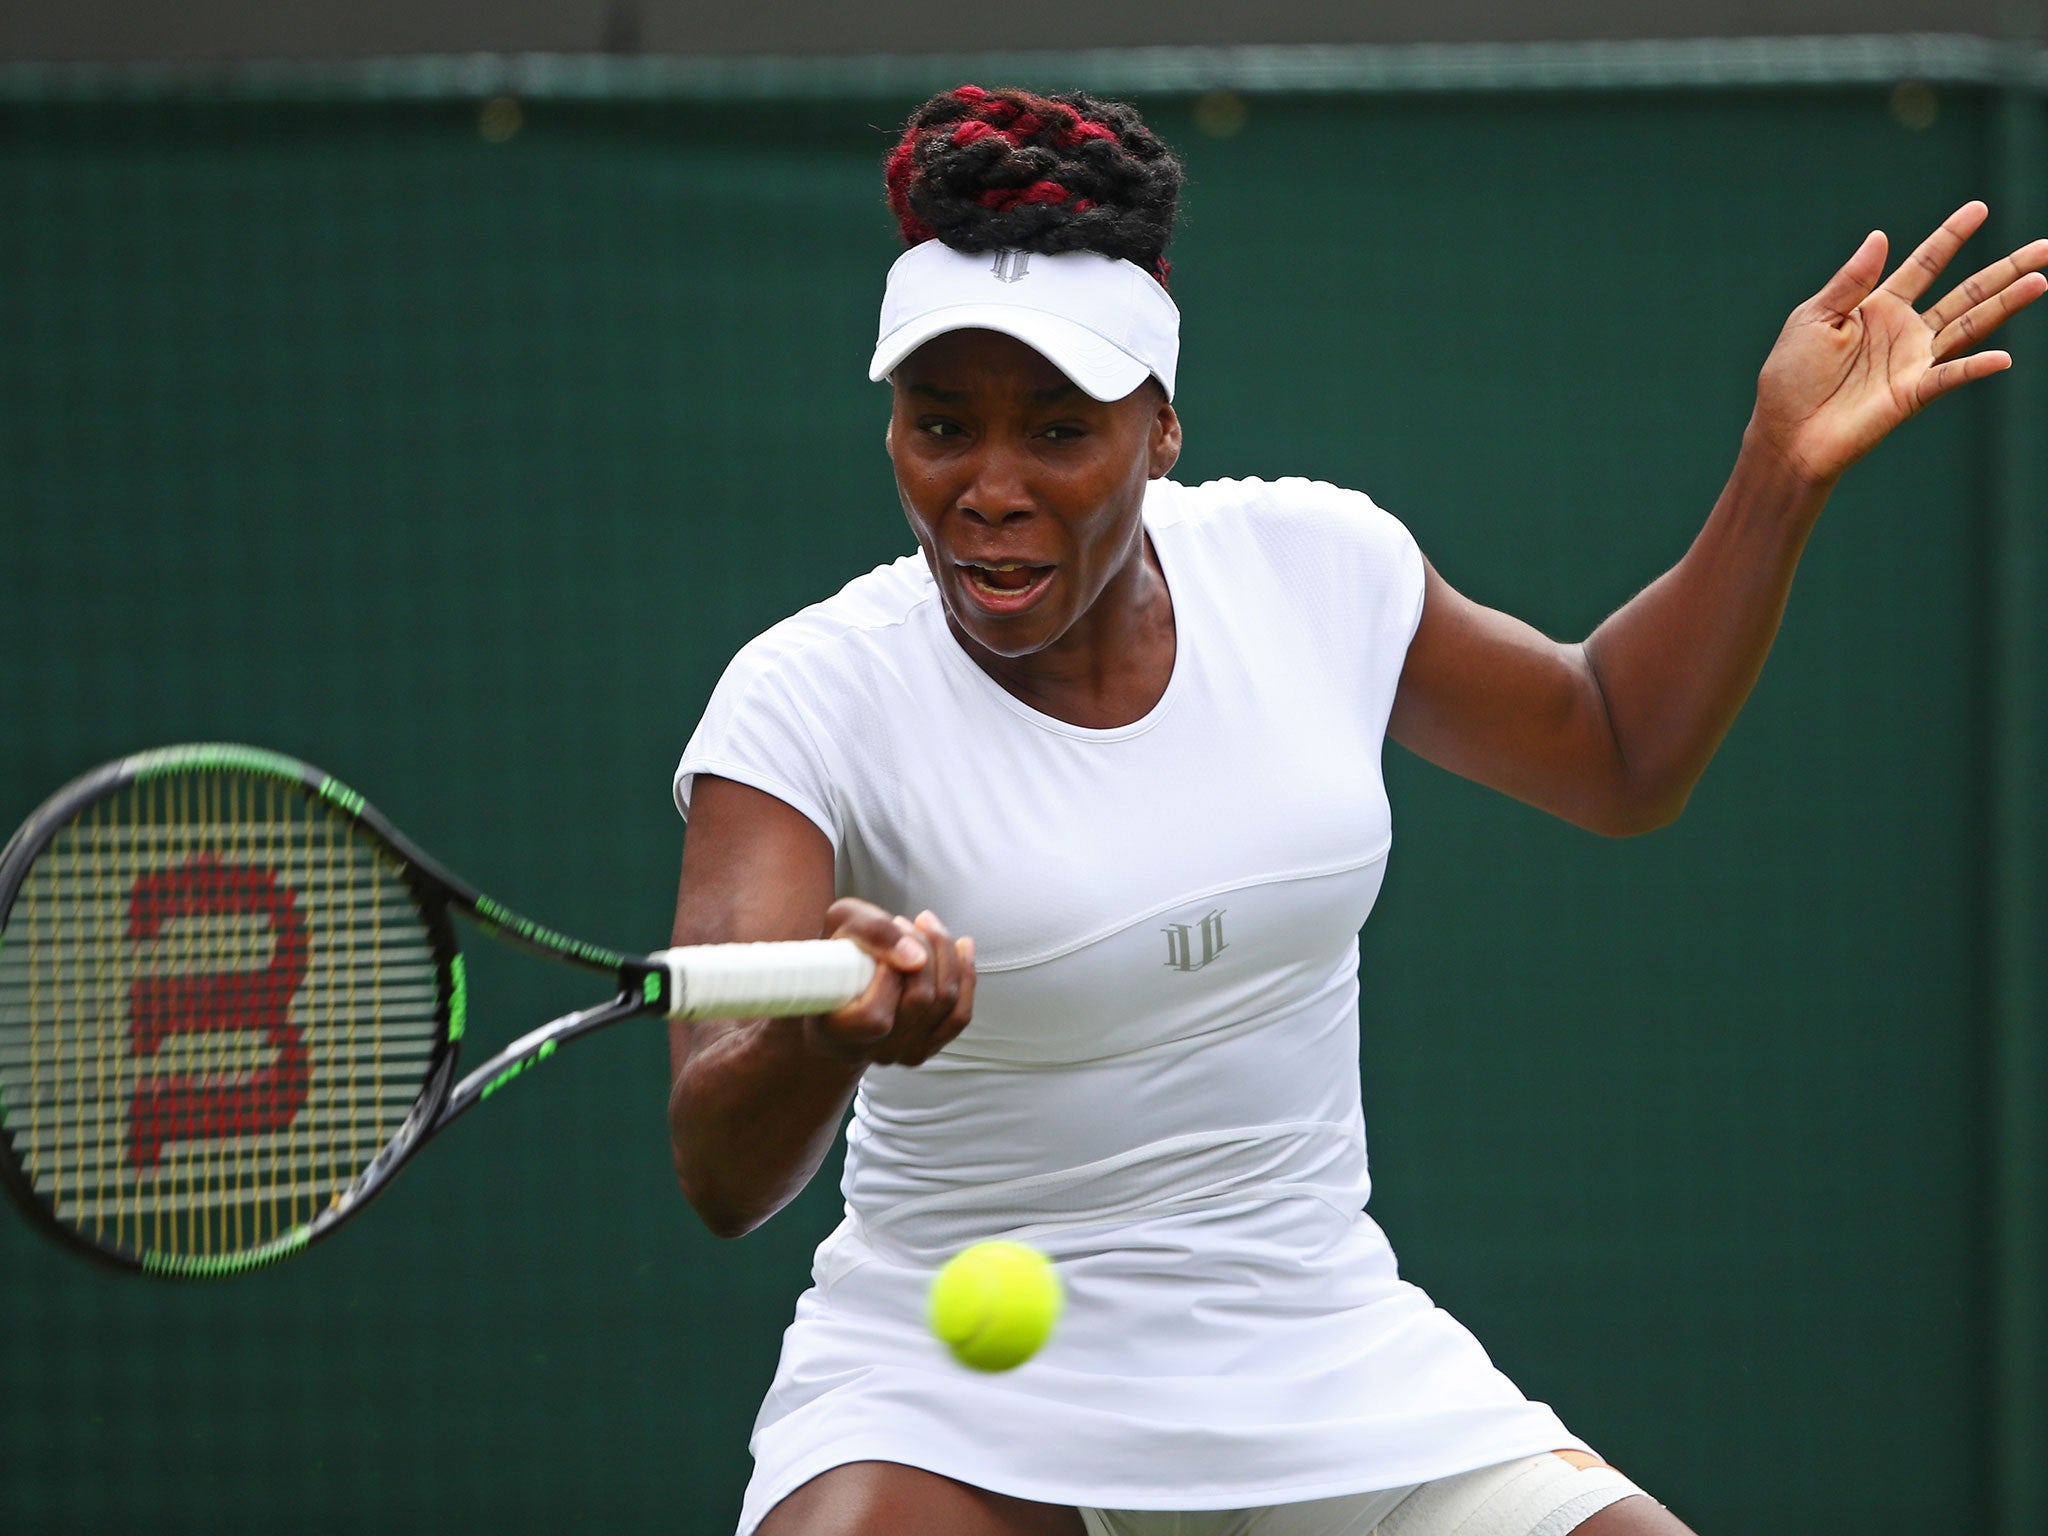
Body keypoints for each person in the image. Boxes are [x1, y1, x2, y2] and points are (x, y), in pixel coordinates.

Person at [665, 85, 2047, 1536]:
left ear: (1161, 432)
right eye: (939, 426)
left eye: (1058, 431)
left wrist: (1776, 475)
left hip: (1320, 1349)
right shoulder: (804, 698)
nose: (985, 489)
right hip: (944, 1390)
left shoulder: (1317, 565)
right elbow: (717, 1164)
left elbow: (1622, 751)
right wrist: (831, 1039)